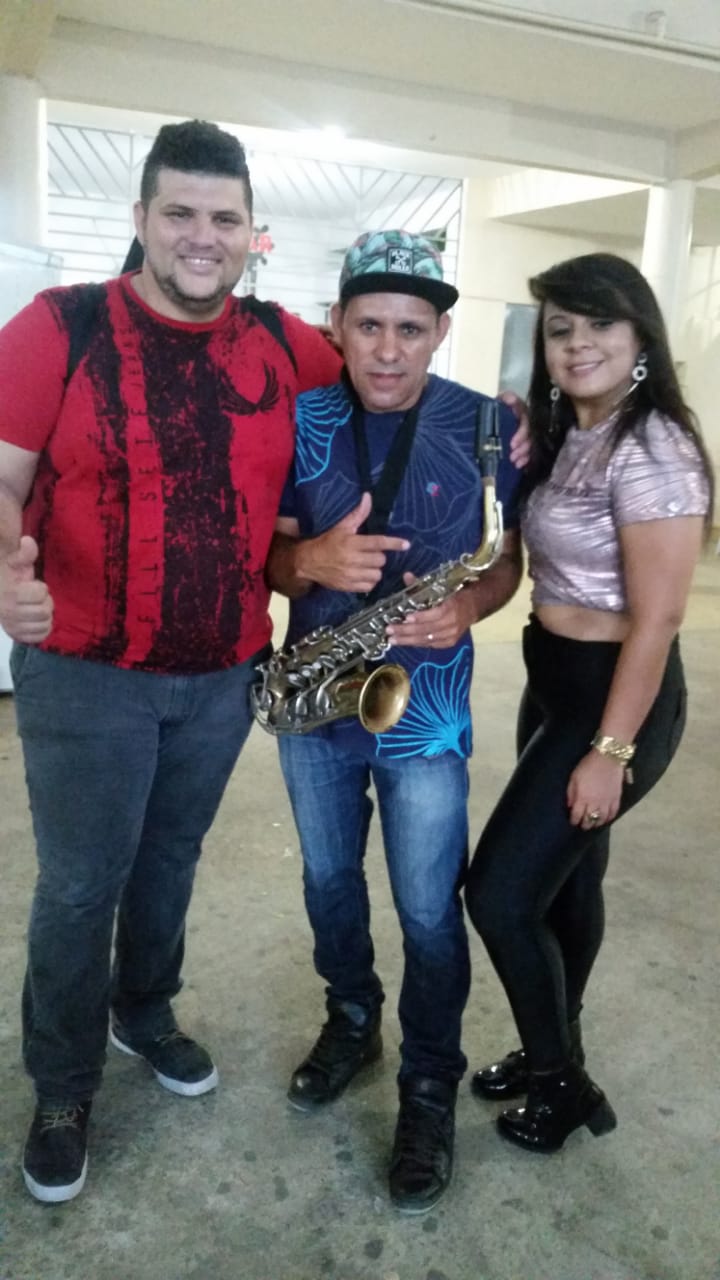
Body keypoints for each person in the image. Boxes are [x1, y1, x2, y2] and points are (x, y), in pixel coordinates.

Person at [0, 118, 342, 1204]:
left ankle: (143, 1011)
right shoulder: (59, 326)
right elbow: (1, 476)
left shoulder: (286, 344)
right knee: (80, 884)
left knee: (170, 859)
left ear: (253, 233)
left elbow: (392, 384)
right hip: (85, 670)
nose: (204, 236)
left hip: (223, 672)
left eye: (225, 218)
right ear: (142, 218)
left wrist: (509, 423)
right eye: (181, 213)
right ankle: (63, 1086)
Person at [265, 229, 524, 1214]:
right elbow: (274, 557)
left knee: (426, 908)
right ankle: (352, 1018)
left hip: (429, 716)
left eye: (409, 329)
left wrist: (472, 605)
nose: (386, 349)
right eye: (368, 324)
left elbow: (507, 557)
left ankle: (428, 1083)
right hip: (318, 705)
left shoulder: (487, 424)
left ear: (439, 331)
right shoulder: (301, 419)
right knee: (329, 882)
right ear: (338, 322)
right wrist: (307, 566)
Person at [464, 252, 713, 1154]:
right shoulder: (570, 431)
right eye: (560, 329)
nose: (578, 344)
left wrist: (609, 753)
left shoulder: (656, 448)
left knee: (498, 895)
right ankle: (551, 1049)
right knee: (569, 881)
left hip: (616, 700)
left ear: (641, 335)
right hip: (553, 684)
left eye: (600, 324)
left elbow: (659, 620)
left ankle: (563, 1085)